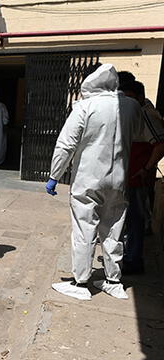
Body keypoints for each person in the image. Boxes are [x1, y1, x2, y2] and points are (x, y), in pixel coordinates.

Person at [46, 64, 143, 300]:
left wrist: (54, 175)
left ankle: (80, 284)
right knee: (114, 230)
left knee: (84, 229)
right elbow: (138, 133)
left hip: (88, 179)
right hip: (119, 180)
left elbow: (66, 144)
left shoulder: (85, 107)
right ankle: (112, 280)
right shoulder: (131, 106)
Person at [121, 80, 164, 275]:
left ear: (138, 96)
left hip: (138, 175)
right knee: (130, 218)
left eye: (128, 96)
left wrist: (146, 168)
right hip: (131, 174)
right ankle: (129, 255)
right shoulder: (136, 112)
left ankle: (133, 260)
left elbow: (160, 144)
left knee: (135, 218)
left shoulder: (145, 114)